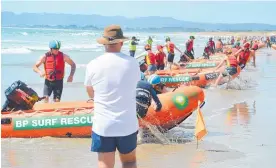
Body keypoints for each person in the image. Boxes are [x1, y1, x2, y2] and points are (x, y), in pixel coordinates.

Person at [84, 25, 140, 168]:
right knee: (129, 161)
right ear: (121, 42)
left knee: (104, 163)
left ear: (104, 43)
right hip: (127, 123)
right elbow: (133, 84)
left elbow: (90, 91)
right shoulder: (133, 63)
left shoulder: (93, 64)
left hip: (103, 124)